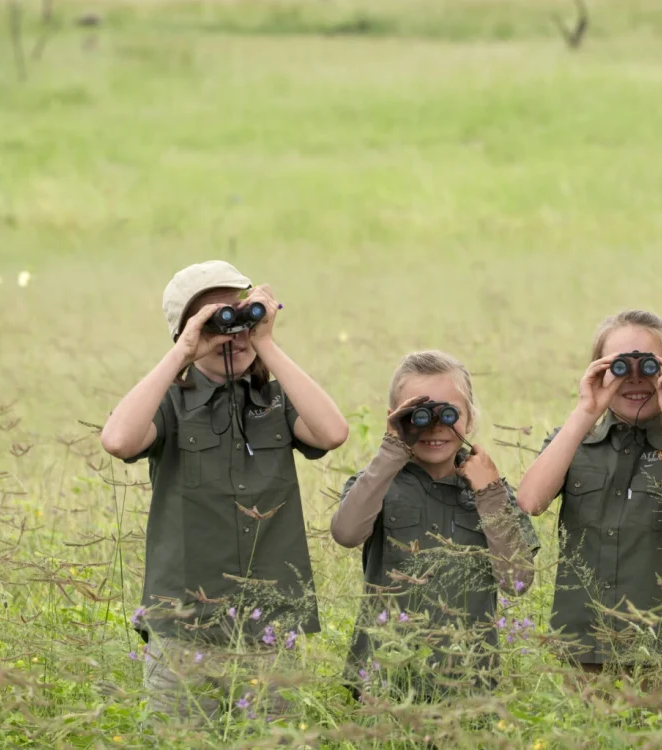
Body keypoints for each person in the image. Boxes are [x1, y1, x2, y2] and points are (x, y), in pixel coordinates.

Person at [99, 260, 349, 721]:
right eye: (216, 321)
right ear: (186, 330)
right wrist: (184, 352)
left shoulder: (275, 400)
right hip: (183, 628)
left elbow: (332, 433)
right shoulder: (169, 404)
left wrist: (266, 343)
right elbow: (117, 441)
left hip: (269, 626)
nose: (230, 335)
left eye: (240, 316)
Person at [515, 310, 662, 678]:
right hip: (582, 642)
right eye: (621, 366)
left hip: (661, 647)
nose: (636, 378)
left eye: (650, 365)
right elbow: (531, 501)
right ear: (598, 370)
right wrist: (586, 409)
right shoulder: (574, 441)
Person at [330, 350, 540, 702]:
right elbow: (346, 533)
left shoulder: (492, 491)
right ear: (394, 419)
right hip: (385, 678)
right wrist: (392, 450)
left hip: (470, 681)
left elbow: (517, 581)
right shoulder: (378, 483)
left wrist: (488, 494)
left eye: (449, 413)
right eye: (417, 414)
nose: (434, 426)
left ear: (470, 419)